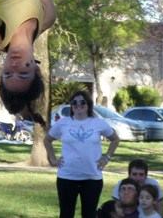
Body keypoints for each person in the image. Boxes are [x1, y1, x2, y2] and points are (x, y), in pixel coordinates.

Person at [43, 90, 120, 218]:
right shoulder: (63, 123)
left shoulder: (98, 123)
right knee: (66, 214)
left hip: (92, 177)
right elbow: (47, 140)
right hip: (67, 177)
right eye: (74, 103)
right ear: (71, 106)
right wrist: (52, 158)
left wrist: (107, 157)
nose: (78, 105)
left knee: (89, 214)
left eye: (82, 102)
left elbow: (115, 139)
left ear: (88, 105)